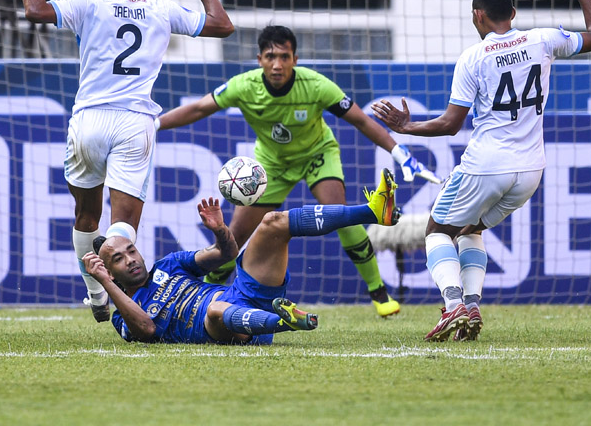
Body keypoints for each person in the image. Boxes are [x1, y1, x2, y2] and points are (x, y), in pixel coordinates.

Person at [372, 0, 591, 342]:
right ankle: (472, 306)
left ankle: (453, 306)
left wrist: (408, 126)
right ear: (513, 13)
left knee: (436, 231)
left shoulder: (474, 57)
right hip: (531, 171)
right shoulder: (543, 39)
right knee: (469, 229)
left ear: (477, 15)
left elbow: (450, 124)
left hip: (488, 164)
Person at [16, 0, 234, 322]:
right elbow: (222, 25)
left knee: (86, 215)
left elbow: (34, 11)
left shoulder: (88, 1)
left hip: (89, 120)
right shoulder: (159, 7)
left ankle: (96, 295)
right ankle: (126, 300)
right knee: (123, 225)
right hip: (134, 122)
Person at [156, 25, 439, 318]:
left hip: (317, 155)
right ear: (259, 59)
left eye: (284, 56)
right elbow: (200, 108)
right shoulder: (243, 86)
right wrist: (156, 124)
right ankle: (202, 294)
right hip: (271, 165)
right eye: (270, 56)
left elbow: (362, 121)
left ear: (295, 58)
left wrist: (398, 150)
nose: (277, 64)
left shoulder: (316, 85)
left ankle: (378, 292)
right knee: (235, 236)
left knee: (337, 212)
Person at [81, 169, 401, 344]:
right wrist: (105, 285)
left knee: (272, 223)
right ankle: (284, 322)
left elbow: (227, 254)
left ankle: (373, 211)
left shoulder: (169, 265)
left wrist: (220, 230)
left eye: (131, 250)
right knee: (217, 309)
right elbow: (148, 329)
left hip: (244, 292)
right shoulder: (124, 316)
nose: (131, 259)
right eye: (119, 260)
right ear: (111, 273)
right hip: (223, 325)